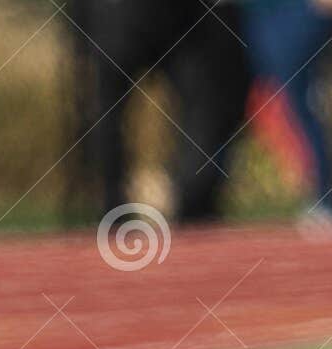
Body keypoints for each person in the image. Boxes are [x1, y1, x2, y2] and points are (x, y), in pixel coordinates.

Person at [75, 0, 251, 223]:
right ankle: (190, 204)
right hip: (150, 20)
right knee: (202, 103)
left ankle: (187, 201)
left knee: (205, 103)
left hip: (164, 21)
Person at [237, 0, 332, 219]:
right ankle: (315, 187)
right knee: (270, 99)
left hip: (300, 11)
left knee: (299, 100)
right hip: (257, 13)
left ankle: (324, 195)